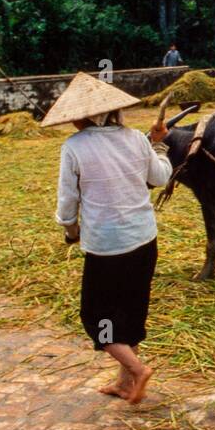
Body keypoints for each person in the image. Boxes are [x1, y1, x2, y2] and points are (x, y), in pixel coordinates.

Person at [44, 71, 172, 405]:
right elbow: (160, 177)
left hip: (106, 246)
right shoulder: (135, 138)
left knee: (96, 317)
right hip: (144, 240)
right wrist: (158, 143)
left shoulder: (73, 147)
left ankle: (138, 370)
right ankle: (124, 381)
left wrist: (70, 232)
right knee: (130, 311)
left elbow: (67, 202)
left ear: (81, 119)